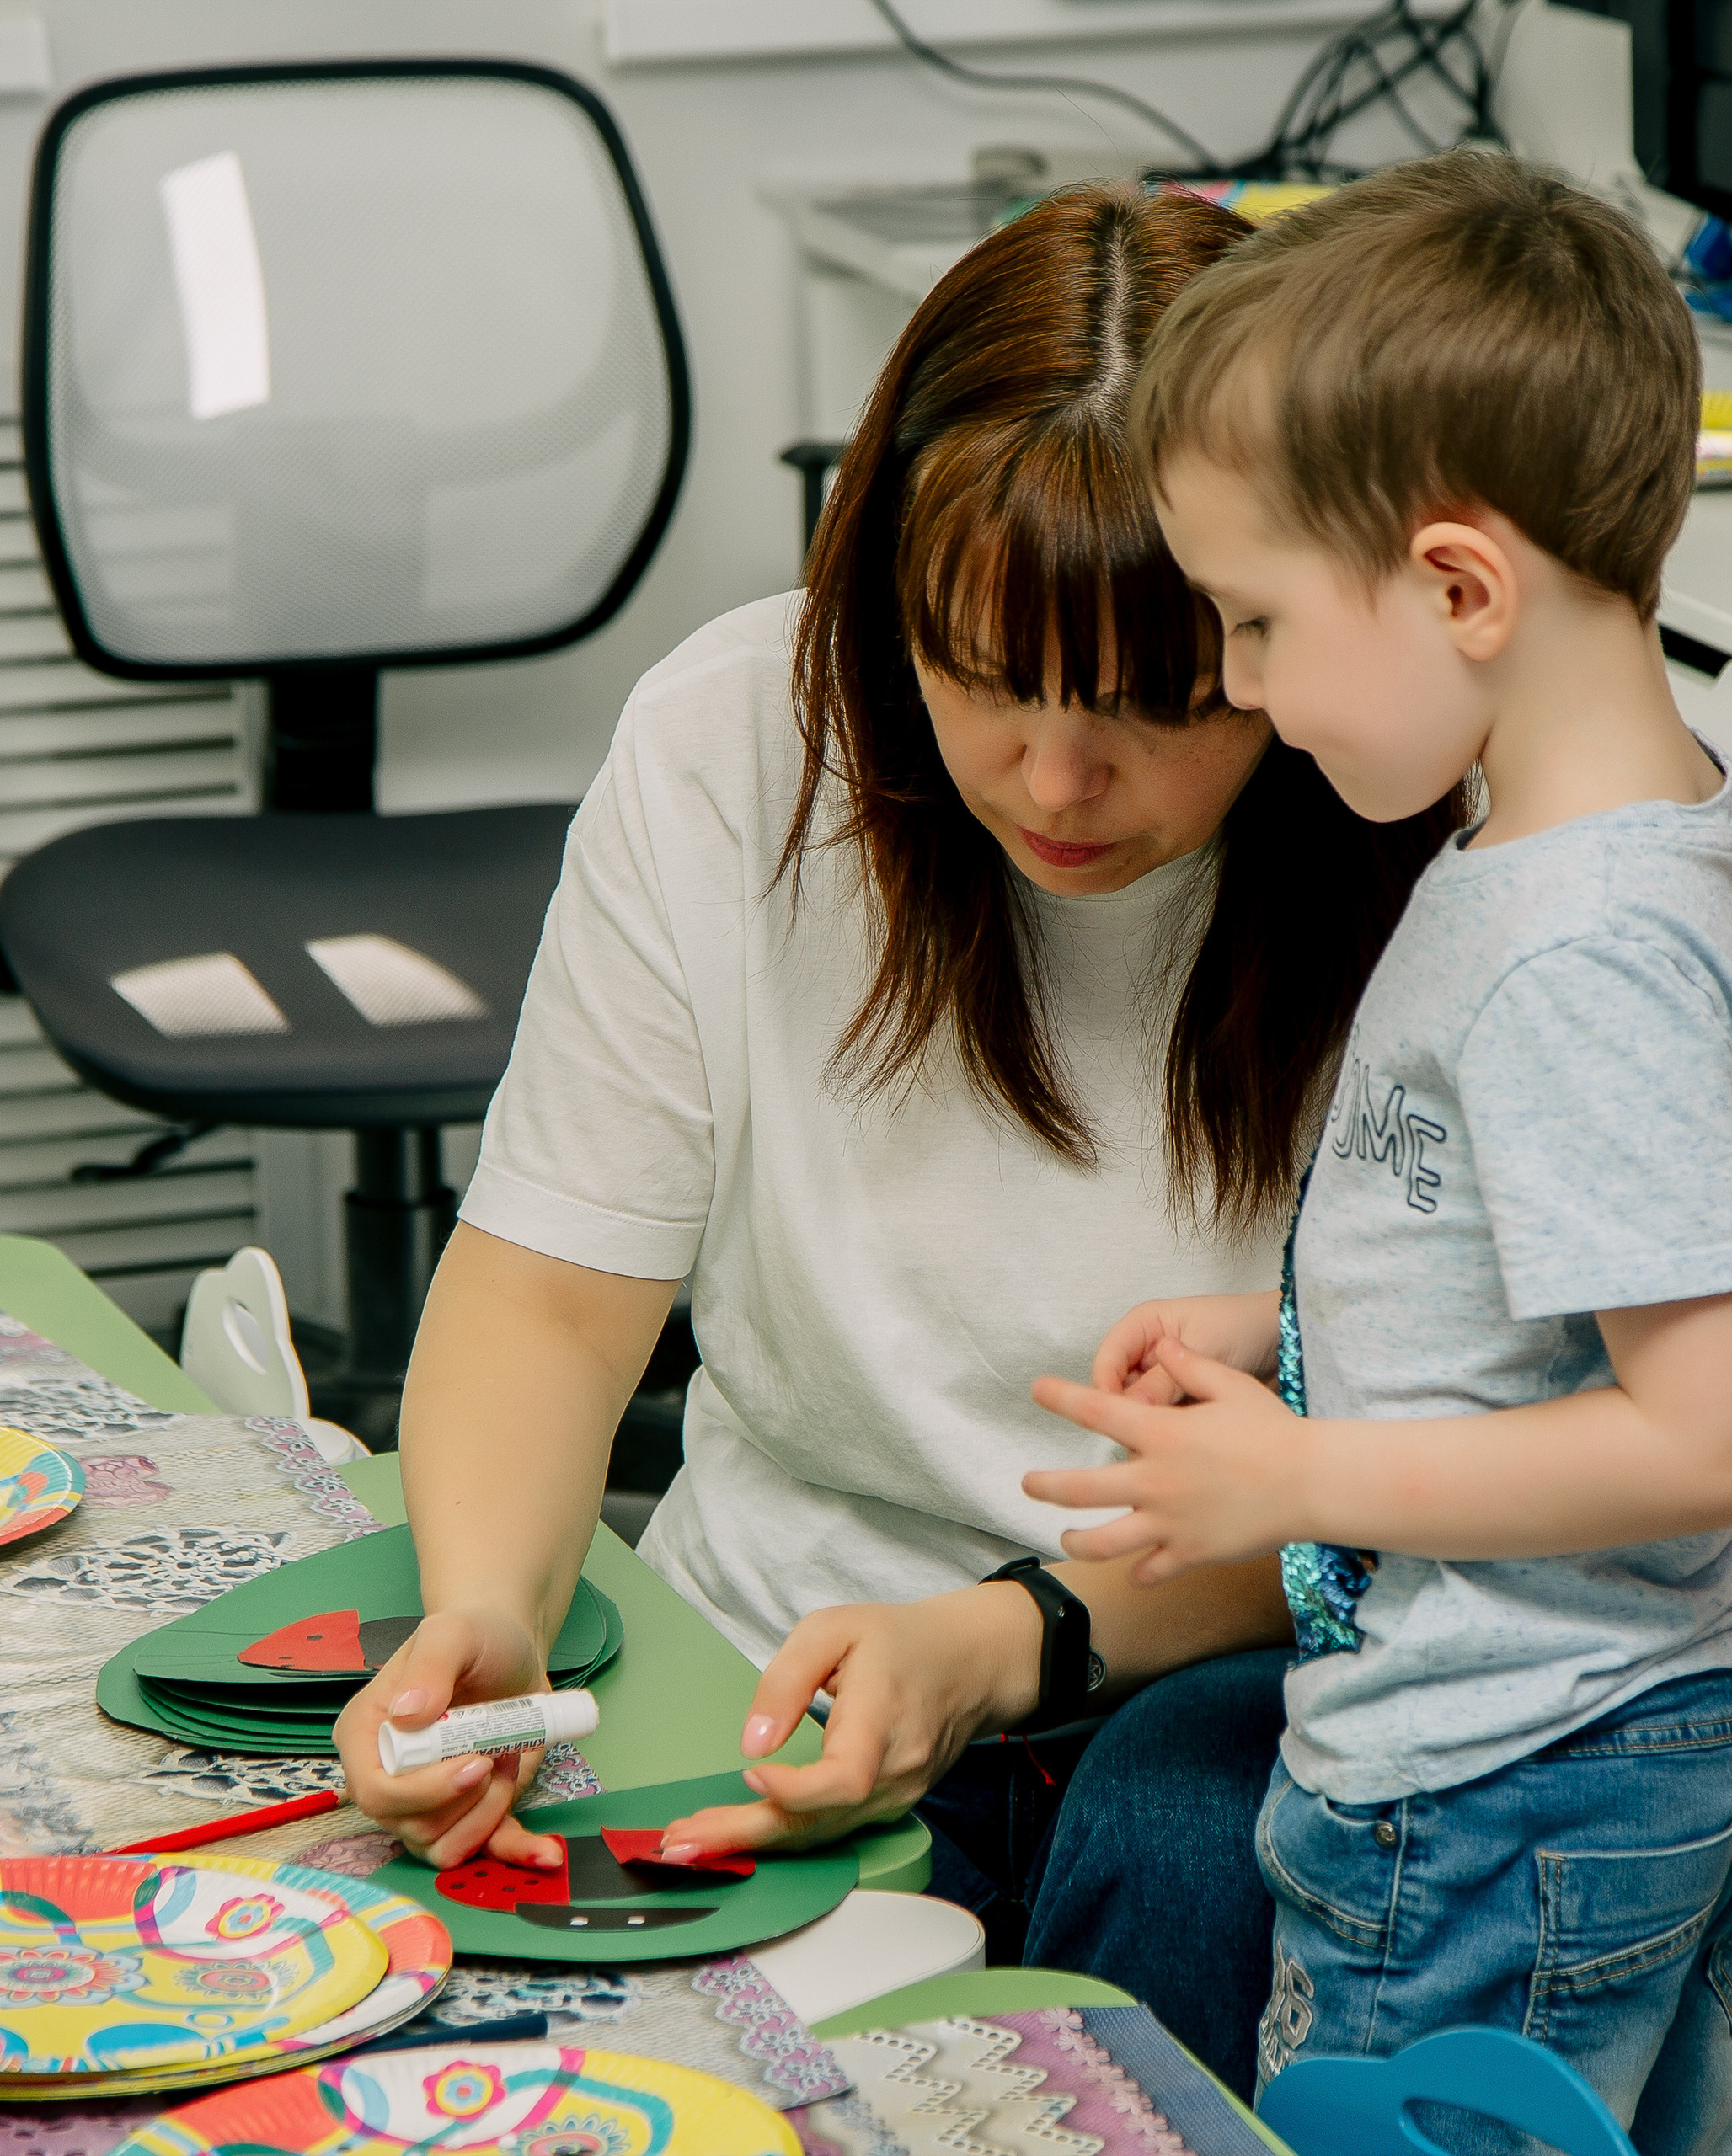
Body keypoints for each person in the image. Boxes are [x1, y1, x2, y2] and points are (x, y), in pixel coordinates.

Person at [330, 183, 1463, 2094]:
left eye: (1153, 704)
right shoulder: (732, 745)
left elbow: (1461, 1455)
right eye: (981, 675)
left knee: (1176, 1875)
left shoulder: (1434, 816)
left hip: (1257, 1680)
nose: (1053, 777)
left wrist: (1005, 1637)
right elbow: (546, 1294)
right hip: (783, 1662)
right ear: (878, 595)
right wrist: (489, 1609)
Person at [1027, 154, 1732, 2151]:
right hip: (1641, 1722)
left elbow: (1712, 1424)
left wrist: (1293, 1470)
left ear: (1459, 586)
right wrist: (1290, 1321)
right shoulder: (1625, 826)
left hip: (1520, 1767)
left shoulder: (1576, 947)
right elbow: (1575, 1232)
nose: (1230, 683)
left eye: (1252, 620)